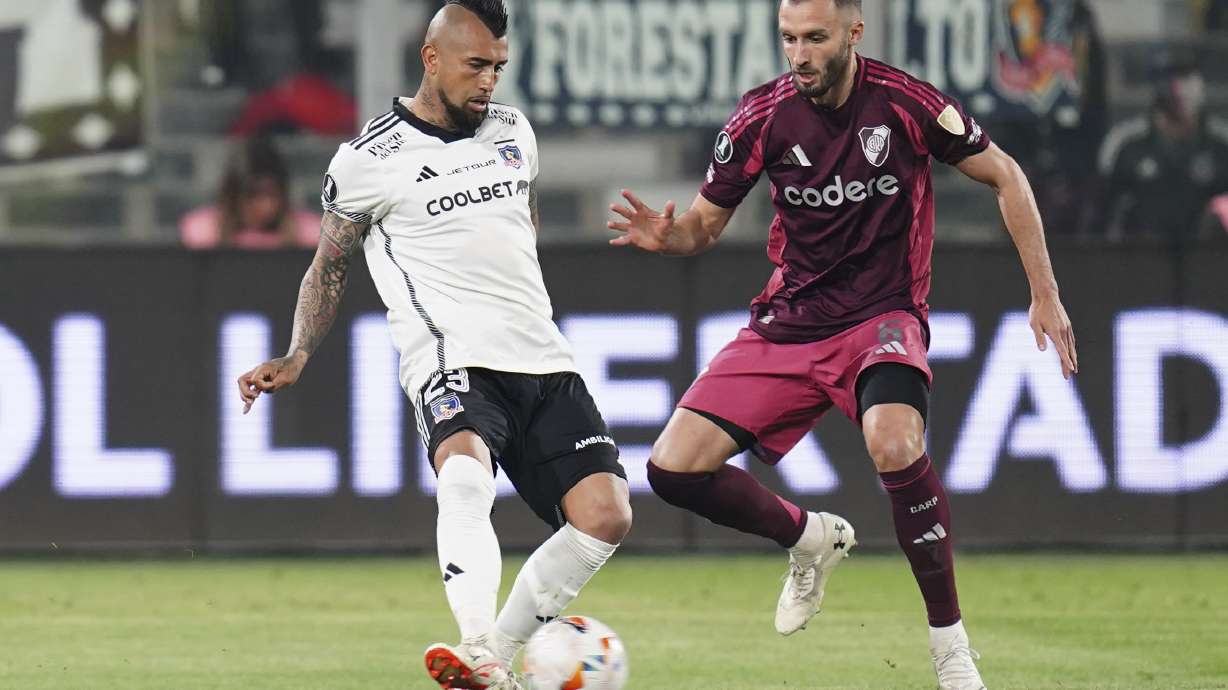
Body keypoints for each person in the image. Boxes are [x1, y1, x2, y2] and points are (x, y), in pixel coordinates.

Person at [607, 1, 1077, 688]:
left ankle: (950, 649)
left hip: (882, 316)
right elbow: (704, 225)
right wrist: (669, 236)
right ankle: (808, 539)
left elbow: (1005, 174)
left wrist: (1045, 291)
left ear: (853, 34)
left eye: (815, 39)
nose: (799, 54)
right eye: (789, 39)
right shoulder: (760, 117)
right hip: (791, 319)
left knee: (894, 441)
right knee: (671, 471)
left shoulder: (906, 104)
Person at [236, 2, 631, 688]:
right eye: (476, 65)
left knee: (606, 516)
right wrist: (297, 353)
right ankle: (477, 644)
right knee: (465, 473)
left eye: (499, 67)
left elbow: (518, 227)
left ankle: (494, 666)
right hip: (451, 356)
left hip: (542, 356)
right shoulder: (370, 159)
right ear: (432, 58)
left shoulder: (514, 131)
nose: (489, 82)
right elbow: (328, 264)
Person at [1098, 56, 1228, 245]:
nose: (1180, 90)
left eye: (1188, 79)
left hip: (1210, 260)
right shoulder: (1127, 144)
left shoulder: (1221, 144)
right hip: (1139, 259)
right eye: (1173, 80)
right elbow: (1107, 210)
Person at [180, 137, 320, 250]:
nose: (266, 205)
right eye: (253, 195)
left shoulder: (308, 233)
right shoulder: (206, 231)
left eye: (272, 194)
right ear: (232, 195)